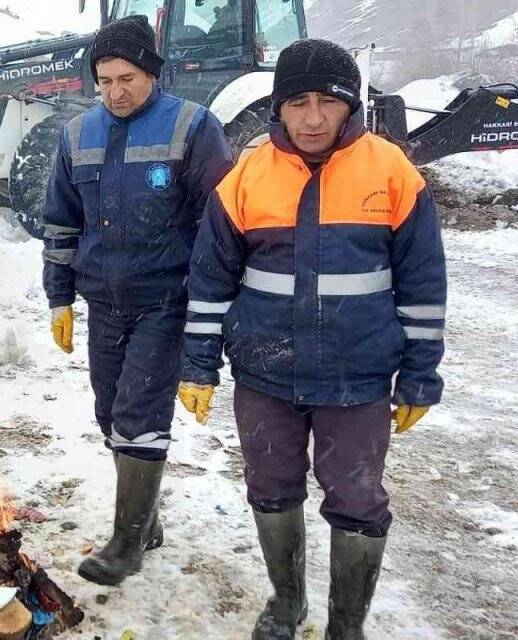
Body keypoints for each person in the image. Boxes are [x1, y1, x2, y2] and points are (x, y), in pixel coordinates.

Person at [177, 39, 447, 639]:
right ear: (279, 107)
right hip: (264, 374)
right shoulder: (246, 177)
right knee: (270, 489)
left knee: (356, 499)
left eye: (329, 101)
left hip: (358, 377)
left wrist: (422, 374)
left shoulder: (392, 173)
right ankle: (287, 602)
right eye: (298, 102)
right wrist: (197, 366)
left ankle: (345, 625)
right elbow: (210, 278)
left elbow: (424, 284)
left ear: (352, 105)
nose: (314, 117)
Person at [41, 15, 234, 587]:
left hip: (166, 301)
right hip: (104, 299)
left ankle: (127, 544)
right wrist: (59, 298)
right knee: (108, 414)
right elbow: (62, 221)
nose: (115, 91)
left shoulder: (194, 128)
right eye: (104, 80)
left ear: (152, 71)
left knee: (138, 415)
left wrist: (208, 311)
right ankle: (143, 515)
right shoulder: (77, 135)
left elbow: (217, 227)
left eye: (127, 77)